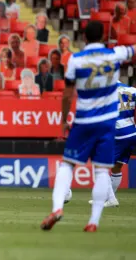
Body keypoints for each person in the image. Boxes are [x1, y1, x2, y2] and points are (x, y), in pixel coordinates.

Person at [41, 21, 136, 232]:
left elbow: (67, 94)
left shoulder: (75, 59)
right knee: (102, 171)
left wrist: (64, 119)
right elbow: (133, 49)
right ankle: (93, 221)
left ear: (84, 37)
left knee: (67, 164)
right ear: (103, 36)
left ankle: (57, 208)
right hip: (107, 123)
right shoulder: (115, 54)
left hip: (84, 121)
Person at [94, 83, 136, 208]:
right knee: (117, 166)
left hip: (118, 133)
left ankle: (111, 199)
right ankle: (106, 199)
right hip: (132, 132)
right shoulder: (131, 90)